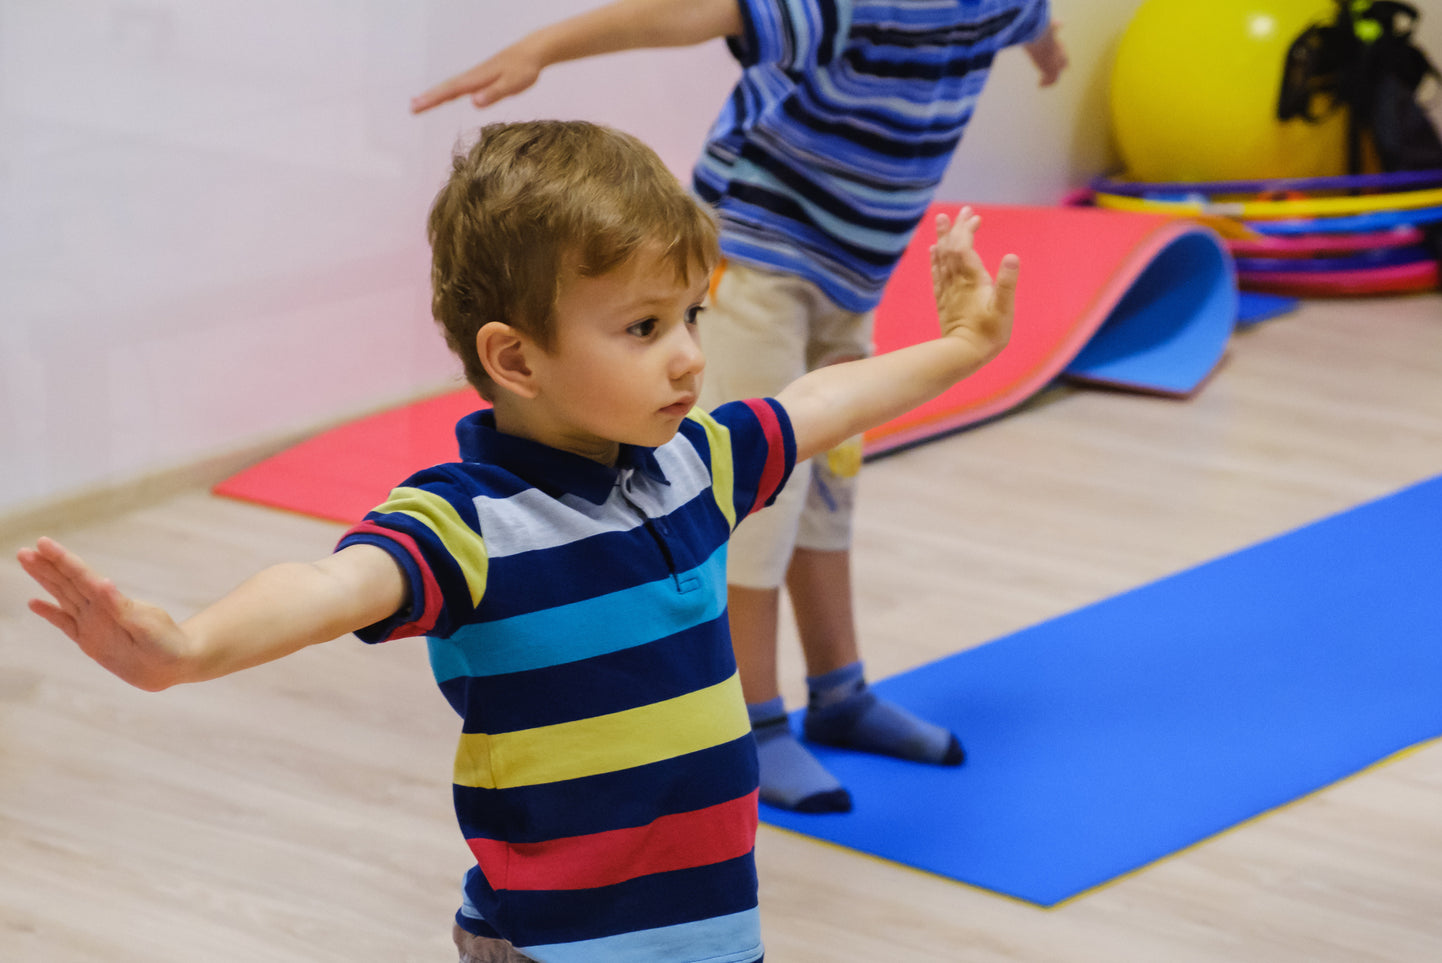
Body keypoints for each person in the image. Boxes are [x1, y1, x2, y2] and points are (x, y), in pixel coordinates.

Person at [18, 120, 1017, 963]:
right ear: (514, 358)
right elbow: (330, 586)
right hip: (549, 943)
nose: (686, 354)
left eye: (689, 315)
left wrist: (963, 345)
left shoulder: (694, 466)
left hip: (710, 924)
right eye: (640, 327)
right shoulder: (469, 524)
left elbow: (818, 402)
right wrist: (188, 650)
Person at [411, 0, 1066, 813]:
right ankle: (756, 719)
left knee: (830, 477)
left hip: (852, 268)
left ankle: (840, 691)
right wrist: (545, 46)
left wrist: (1046, 54)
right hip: (758, 246)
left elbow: (1030, 22)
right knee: (752, 484)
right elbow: (691, 12)